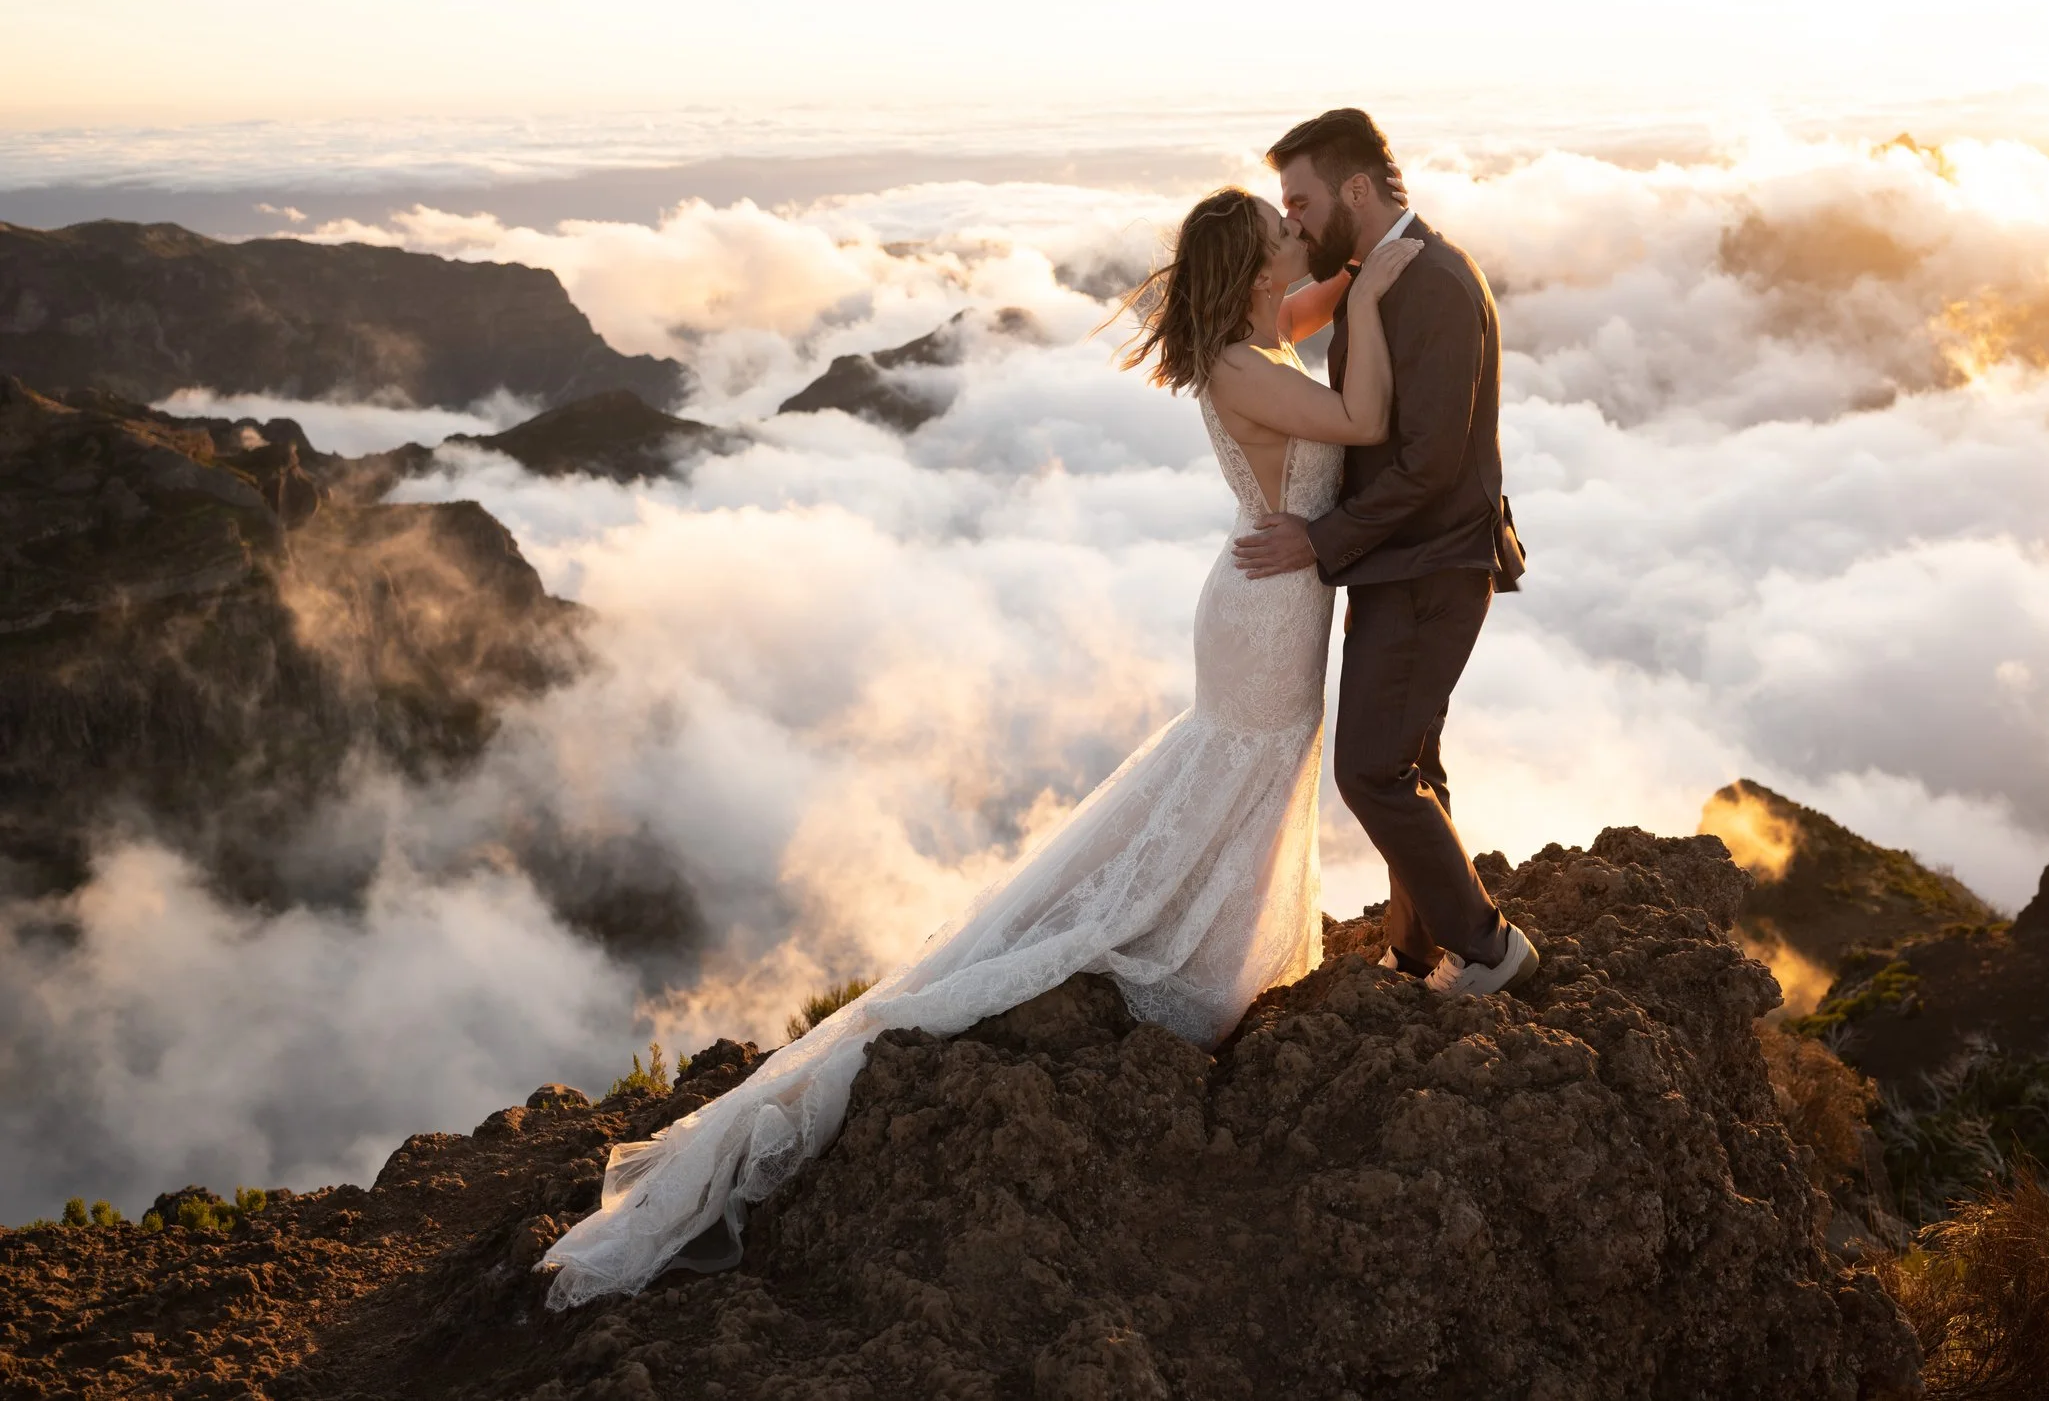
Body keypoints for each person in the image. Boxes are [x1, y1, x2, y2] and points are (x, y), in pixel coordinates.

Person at [540, 179, 1421, 1308]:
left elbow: (1300, 317)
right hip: (1261, 617)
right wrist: (1386, 298)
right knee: (1232, 772)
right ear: (1251, 270)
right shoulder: (1245, 367)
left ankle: (1213, 937)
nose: (1298, 241)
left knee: (1246, 776)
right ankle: (1187, 952)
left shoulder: (1248, 335)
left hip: (1273, 606)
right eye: (1281, 238)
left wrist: (1361, 266)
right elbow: (1361, 422)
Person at [1233, 107, 1534, 996]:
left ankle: (1488, 949)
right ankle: (1414, 950)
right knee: (1410, 765)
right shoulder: (1379, 272)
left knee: (1370, 768)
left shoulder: (1433, 281)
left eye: (1300, 200)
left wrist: (1319, 540)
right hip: (1398, 566)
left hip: (1430, 569)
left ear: (1355, 189)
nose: (1291, 222)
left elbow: (1431, 462)